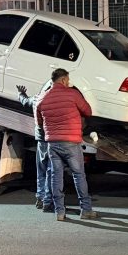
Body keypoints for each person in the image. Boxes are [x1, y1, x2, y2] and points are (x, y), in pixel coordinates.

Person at [35, 68, 97, 221]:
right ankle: (86, 210)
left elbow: (39, 123)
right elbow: (88, 111)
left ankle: (60, 212)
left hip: (53, 143)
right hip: (71, 143)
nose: (69, 83)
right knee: (79, 175)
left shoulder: (43, 98)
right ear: (63, 80)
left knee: (56, 177)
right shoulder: (72, 94)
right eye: (68, 80)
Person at [17, 80, 52, 210]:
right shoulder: (55, 100)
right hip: (53, 140)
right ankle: (47, 199)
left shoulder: (37, 99)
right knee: (51, 170)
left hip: (41, 140)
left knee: (41, 170)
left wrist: (21, 94)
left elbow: (25, 102)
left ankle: (40, 197)